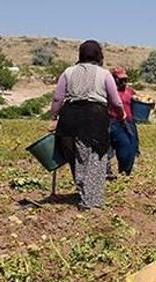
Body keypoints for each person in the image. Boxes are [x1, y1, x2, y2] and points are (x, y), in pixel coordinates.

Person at [49, 40, 124, 210]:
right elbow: (116, 102)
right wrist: (121, 115)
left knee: (76, 157)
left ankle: (84, 192)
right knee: (95, 158)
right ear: (99, 55)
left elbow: (58, 98)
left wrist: (54, 117)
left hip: (69, 118)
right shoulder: (104, 75)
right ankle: (92, 201)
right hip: (94, 119)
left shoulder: (68, 72)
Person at [107, 66, 139, 177]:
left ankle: (125, 172)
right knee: (109, 148)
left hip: (128, 121)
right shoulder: (110, 91)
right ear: (114, 79)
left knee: (131, 147)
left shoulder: (130, 92)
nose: (124, 82)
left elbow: (138, 102)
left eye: (125, 79)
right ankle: (107, 172)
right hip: (113, 121)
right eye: (121, 79)